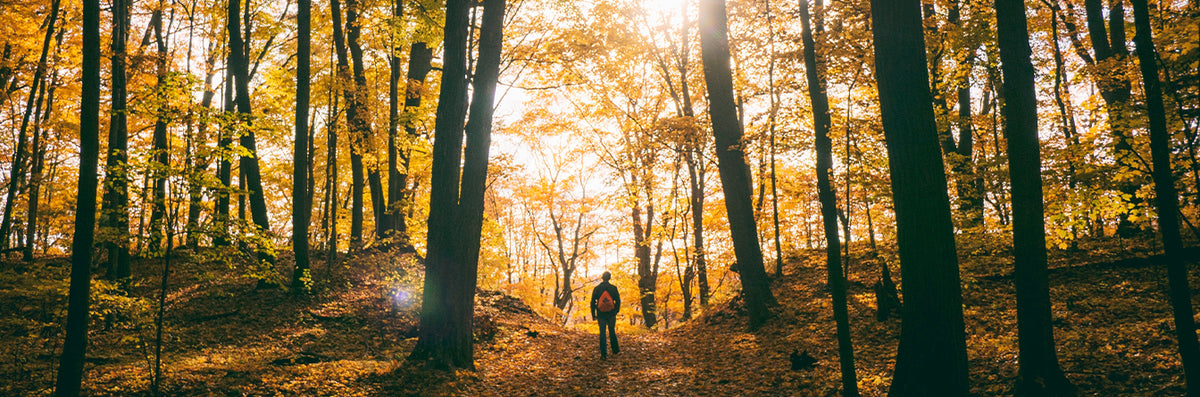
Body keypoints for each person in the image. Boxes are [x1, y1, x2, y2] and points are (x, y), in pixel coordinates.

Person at [590, 271, 621, 359]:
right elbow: (618, 301)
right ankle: (615, 350)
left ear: (602, 278)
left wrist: (593, 314)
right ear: (609, 278)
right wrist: (616, 311)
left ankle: (604, 354)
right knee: (612, 331)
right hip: (611, 313)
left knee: (602, 333)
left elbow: (592, 302)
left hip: (601, 314)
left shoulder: (597, 288)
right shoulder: (613, 288)